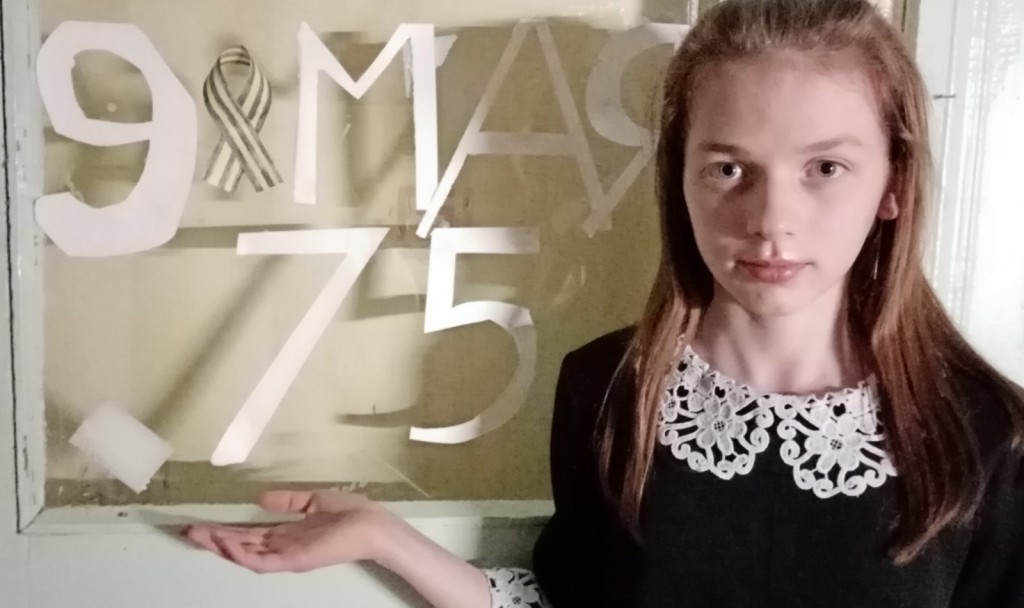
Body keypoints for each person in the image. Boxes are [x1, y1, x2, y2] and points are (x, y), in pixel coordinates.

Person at [182, 0, 1024, 605]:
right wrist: (385, 538)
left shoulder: (988, 434)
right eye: (729, 168)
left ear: (892, 183)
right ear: (680, 177)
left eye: (825, 168)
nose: (772, 220)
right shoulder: (606, 391)